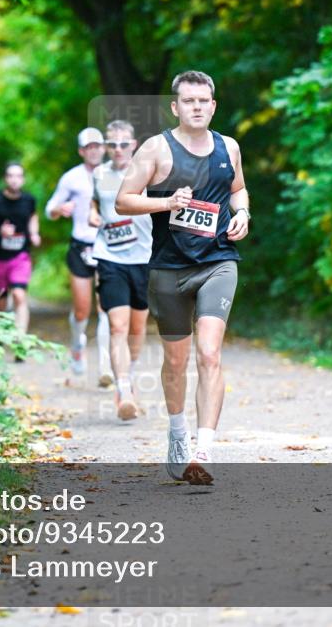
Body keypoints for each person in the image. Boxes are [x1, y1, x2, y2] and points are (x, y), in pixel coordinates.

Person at [115, 70, 250, 485]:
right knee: (175, 362)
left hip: (218, 262)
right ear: (175, 107)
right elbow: (123, 200)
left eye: (203, 101)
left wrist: (242, 212)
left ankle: (204, 448)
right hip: (170, 268)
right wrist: (165, 202)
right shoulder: (157, 149)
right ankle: (178, 435)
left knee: (210, 353)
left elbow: (238, 189)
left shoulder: (229, 147)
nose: (196, 107)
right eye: (188, 101)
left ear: (213, 105)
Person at [91, 120, 152, 421]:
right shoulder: (98, 174)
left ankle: (130, 374)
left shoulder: (148, 173)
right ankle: (124, 390)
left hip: (144, 259)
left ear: (134, 144)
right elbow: (93, 204)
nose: (117, 150)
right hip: (109, 258)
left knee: (138, 330)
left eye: (123, 144)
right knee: (118, 326)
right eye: (111, 144)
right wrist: (93, 216)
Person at [46, 127, 112, 384]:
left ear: (104, 148)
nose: (94, 150)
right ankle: (77, 344)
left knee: (106, 307)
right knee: (83, 310)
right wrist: (59, 210)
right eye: (89, 147)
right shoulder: (71, 178)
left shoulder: (114, 175)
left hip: (107, 246)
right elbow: (49, 209)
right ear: (82, 151)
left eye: (98, 145)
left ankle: (106, 365)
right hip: (81, 247)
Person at [0, 162, 41, 341]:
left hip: (20, 256)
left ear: (23, 179)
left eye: (18, 176)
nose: (14, 180)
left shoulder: (29, 200)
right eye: (11, 176)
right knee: (1, 299)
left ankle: (20, 340)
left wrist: (34, 233)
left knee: (20, 295)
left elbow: (33, 216)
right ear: (5, 179)